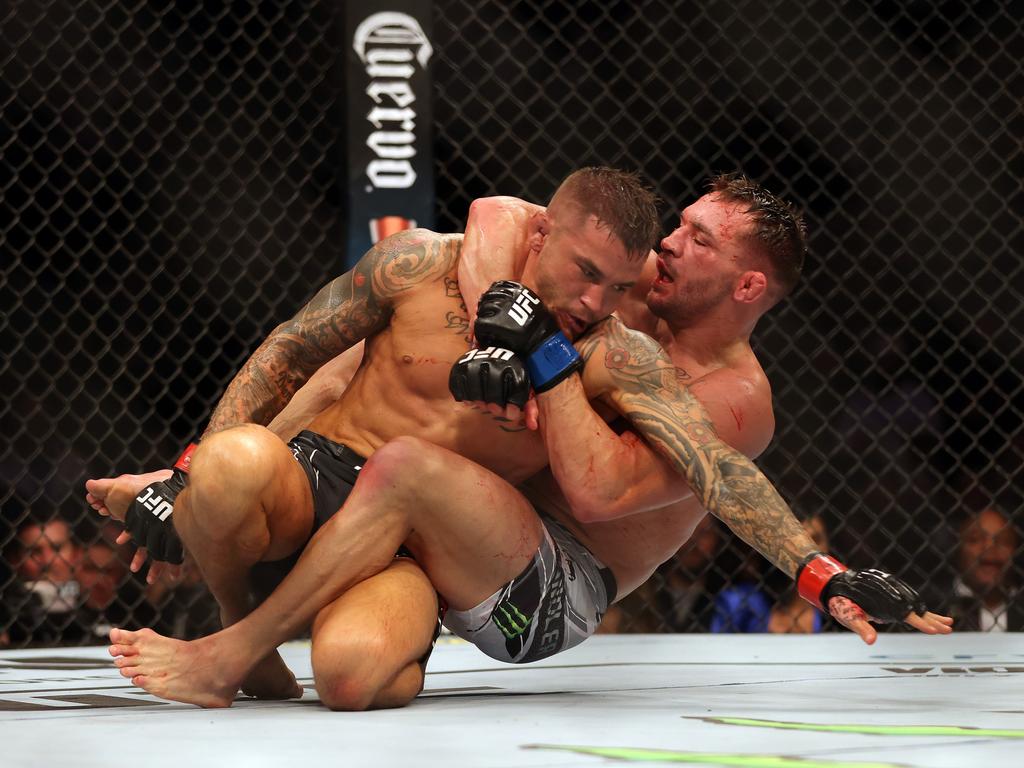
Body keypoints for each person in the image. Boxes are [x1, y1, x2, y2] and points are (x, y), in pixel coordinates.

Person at [93, 172, 951, 708]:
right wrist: (191, 471)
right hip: (428, 516)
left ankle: (232, 645)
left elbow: (635, 485)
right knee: (362, 368)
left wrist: (817, 568)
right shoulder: (600, 275)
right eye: (675, 227)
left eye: (696, 240)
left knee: (401, 484)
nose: (664, 250)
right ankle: (212, 512)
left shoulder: (701, 381)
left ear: (748, 283)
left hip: (552, 575)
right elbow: (504, 211)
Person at [86, 167, 661, 708]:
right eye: (586, 272)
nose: (596, 303)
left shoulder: (593, 360)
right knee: (228, 463)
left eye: (618, 287)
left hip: (404, 540)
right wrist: (185, 478)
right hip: (317, 477)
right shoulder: (420, 264)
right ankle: (238, 630)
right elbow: (291, 351)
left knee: (350, 679)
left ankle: (293, 609)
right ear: (539, 232)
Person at [947, 505, 1021, 631]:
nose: (989, 547)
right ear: (958, 549)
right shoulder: (931, 608)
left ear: (1016, 551)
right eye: (975, 539)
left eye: (1003, 540)